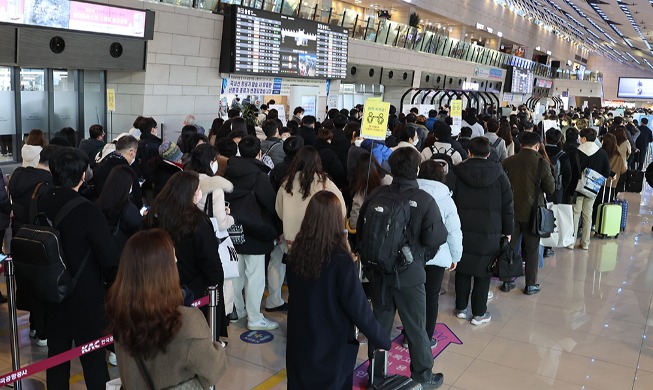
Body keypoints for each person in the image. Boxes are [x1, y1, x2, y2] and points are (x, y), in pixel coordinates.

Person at [357, 147, 447, 389]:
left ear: (392, 168)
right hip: (410, 274)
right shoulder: (424, 199)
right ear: (416, 169)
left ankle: (376, 376)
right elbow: (437, 237)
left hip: (378, 273)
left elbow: (362, 231)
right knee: (416, 326)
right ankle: (422, 376)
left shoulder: (377, 194)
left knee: (380, 325)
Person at [285, 191, 390, 389]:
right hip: (332, 348)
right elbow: (359, 309)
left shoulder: (296, 253)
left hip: (300, 343)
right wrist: (382, 339)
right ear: (336, 220)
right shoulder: (340, 261)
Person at [37, 148, 119, 389]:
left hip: (53, 292)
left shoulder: (43, 201)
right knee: (93, 360)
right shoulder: (87, 209)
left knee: (57, 357)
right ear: (83, 175)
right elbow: (108, 257)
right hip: (85, 297)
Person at [107, 229, 227, 388]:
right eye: (173, 257)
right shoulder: (187, 321)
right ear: (164, 271)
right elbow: (214, 370)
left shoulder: (121, 314)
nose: (177, 261)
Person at [145, 171, 225, 332]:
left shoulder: (155, 215)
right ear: (190, 194)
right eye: (197, 190)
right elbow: (211, 262)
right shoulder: (198, 222)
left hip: (160, 286)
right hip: (194, 291)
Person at [448, 137, 513, 323]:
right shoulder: (500, 174)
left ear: (469, 152)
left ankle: (460, 308)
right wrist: (507, 230)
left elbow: (448, 198)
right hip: (490, 229)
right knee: (484, 271)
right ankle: (478, 313)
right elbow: (508, 205)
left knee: (462, 267)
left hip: (461, 227)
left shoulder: (457, 172)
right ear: (489, 153)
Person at [224, 136, 281, 330]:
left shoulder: (228, 171)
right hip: (256, 230)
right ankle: (255, 318)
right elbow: (271, 204)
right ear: (259, 153)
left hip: (233, 227)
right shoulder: (259, 176)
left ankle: (236, 310)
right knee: (255, 276)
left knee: (236, 273)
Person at [8, 145, 59, 339]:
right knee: (43, 282)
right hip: (39, 237)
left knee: (27, 280)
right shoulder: (48, 182)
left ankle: (32, 325)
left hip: (20, 235)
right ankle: (42, 330)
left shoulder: (19, 175)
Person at [503, 132, 555, 294]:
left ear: (521, 144)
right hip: (534, 213)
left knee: (510, 247)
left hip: (511, 211)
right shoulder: (541, 163)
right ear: (537, 146)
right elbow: (550, 189)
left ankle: (507, 281)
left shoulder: (508, 161)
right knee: (532, 249)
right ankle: (530, 284)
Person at [417, 161, 462, 338]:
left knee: (413, 296)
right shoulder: (446, 199)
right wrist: (455, 256)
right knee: (431, 297)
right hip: (437, 255)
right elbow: (453, 231)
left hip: (412, 255)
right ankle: (426, 337)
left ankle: (409, 336)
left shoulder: (410, 193)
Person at [276, 146, 346, 247]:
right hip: (319, 241)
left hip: (293, 242)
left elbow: (279, 211)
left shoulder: (286, 184)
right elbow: (341, 210)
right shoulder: (325, 184)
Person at [567, 128, 611, 250]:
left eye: (581, 137)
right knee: (588, 214)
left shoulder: (576, 152)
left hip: (577, 188)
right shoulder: (602, 153)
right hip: (592, 189)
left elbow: (571, 172)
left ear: (584, 139)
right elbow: (606, 172)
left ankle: (571, 242)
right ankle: (585, 243)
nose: (579, 139)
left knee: (575, 215)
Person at [95, 165, 143, 255]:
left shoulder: (99, 203)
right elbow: (139, 232)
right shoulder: (129, 210)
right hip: (125, 253)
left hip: (103, 252)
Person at [347, 153, 392, 242]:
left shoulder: (360, 192)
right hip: (390, 231)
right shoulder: (389, 180)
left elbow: (353, 224)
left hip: (368, 237)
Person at [90, 135, 143, 208]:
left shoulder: (101, 165)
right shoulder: (128, 172)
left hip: (100, 210)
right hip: (120, 214)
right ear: (132, 153)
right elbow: (137, 201)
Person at [592, 133, 627, 224]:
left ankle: (594, 222)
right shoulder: (619, 156)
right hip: (612, 184)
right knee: (607, 203)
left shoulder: (599, 153)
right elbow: (623, 170)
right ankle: (604, 223)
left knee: (596, 204)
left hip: (598, 182)